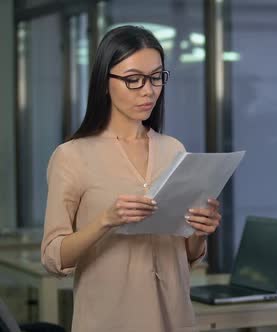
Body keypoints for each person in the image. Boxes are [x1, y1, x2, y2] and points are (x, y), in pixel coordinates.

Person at [40, 26, 221, 332]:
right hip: (108, 320)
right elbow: (53, 258)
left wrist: (200, 231)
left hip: (174, 317)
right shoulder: (71, 156)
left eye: (156, 77)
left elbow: (185, 253)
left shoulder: (173, 149)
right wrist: (106, 220)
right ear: (104, 83)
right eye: (133, 79)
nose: (148, 90)